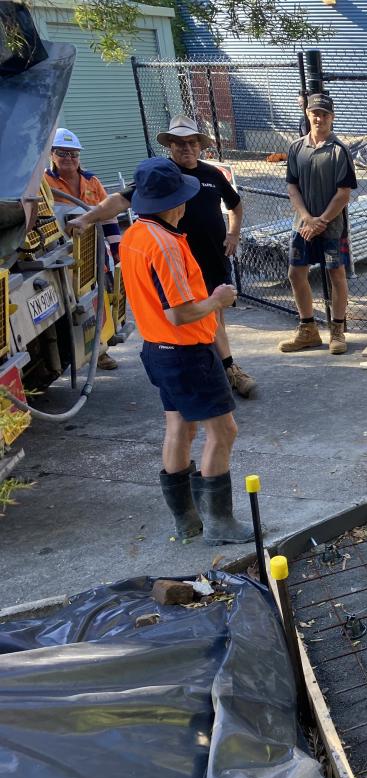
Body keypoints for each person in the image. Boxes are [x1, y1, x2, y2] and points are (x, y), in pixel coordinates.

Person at [67, 116, 256, 398]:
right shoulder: (162, 177)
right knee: (185, 315)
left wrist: (234, 234)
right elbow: (119, 200)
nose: (186, 148)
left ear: (200, 146)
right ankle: (214, 371)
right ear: (169, 145)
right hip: (174, 262)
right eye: (178, 143)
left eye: (191, 142)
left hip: (212, 257)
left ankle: (225, 368)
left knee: (214, 316)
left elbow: (235, 205)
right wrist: (87, 218)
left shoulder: (213, 175)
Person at [120, 157, 254, 547]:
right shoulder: (163, 245)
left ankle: (187, 522)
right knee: (223, 430)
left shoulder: (136, 234)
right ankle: (219, 523)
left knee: (180, 427)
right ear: (175, 203)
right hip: (185, 351)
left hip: (157, 350)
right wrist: (217, 300)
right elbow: (179, 312)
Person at [278, 93, 358, 355]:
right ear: (308, 115)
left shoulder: (339, 150)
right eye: (314, 113)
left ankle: (337, 330)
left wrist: (321, 221)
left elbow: (343, 194)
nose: (319, 118)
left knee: (336, 275)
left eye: (324, 114)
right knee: (295, 273)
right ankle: (308, 330)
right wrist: (308, 219)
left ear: (331, 117)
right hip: (303, 226)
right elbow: (292, 186)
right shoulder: (296, 148)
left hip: (332, 227)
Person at [45, 128, 123, 371]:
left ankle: (101, 349)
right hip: (61, 254)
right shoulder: (44, 184)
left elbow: (109, 216)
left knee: (100, 297)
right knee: (73, 303)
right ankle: (85, 350)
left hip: (92, 251)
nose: (68, 158)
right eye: (62, 153)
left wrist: (117, 249)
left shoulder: (92, 181)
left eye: (73, 154)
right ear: (51, 154)